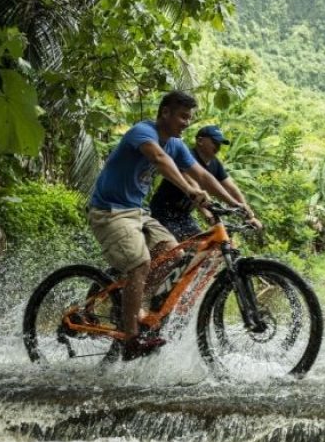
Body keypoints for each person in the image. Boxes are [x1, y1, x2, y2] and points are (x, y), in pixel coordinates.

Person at [87, 90, 244, 361]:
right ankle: (131, 339)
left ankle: (133, 304)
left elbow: (203, 175)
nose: (186, 123)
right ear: (165, 113)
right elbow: (160, 161)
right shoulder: (142, 132)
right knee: (140, 264)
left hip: (137, 212)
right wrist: (189, 190)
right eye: (182, 116)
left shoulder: (177, 144)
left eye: (189, 118)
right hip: (110, 212)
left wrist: (236, 205)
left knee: (175, 254)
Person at [150, 125, 261, 241]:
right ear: (200, 141)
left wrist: (249, 214)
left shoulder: (215, 164)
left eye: (220, 144)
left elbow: (232, 188)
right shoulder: (187, 156)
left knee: (206, 247)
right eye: (214, 142)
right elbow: (193, 184)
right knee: (177, 252)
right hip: (163, 212)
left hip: (184, 215)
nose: (218, 147)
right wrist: (206, 211)